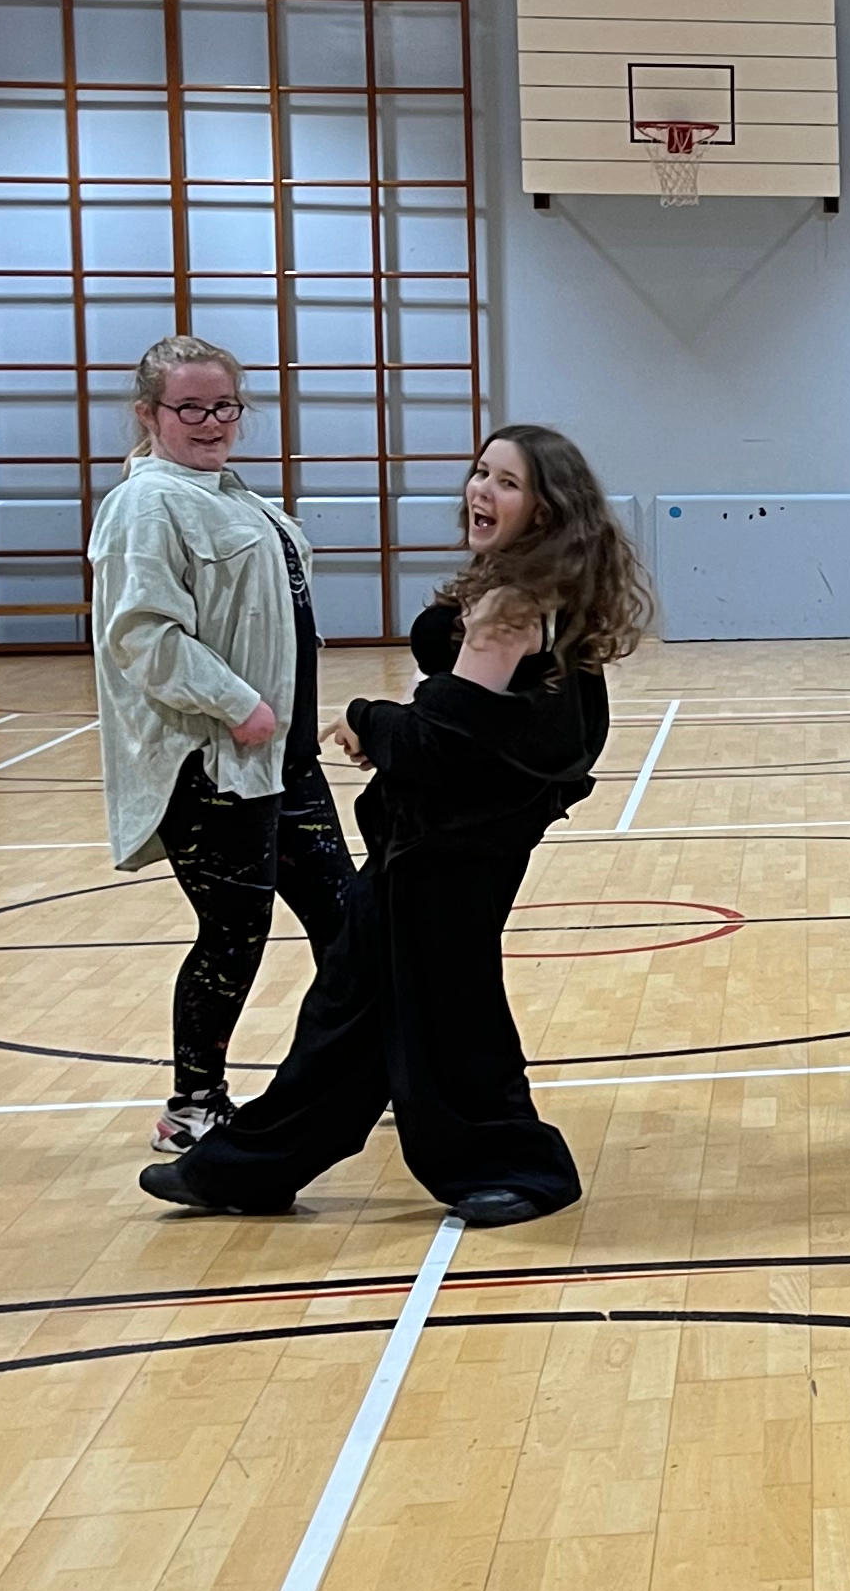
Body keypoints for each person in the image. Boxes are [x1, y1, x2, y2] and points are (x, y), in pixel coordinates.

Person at [139, 423, 650, 1227]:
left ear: (546, 510)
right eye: (480, 473)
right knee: (351, 1007)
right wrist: (393, 725)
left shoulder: (513, 603)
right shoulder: (530, 588)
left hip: (453, 848)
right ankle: (252, 1166)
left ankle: (518, 1166)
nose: (481, 491)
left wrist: (365, 720)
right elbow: (473, 724)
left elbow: (440, 740)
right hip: (436, 840)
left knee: (447, 1008)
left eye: (507, 482)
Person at [89, 333, 353, 1152]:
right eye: (191, 408)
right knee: (235, 933)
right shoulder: (146, 504)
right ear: (149, 414)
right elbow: (142, 635)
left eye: (225, 406)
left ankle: (363, 1072)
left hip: (283, 760)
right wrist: (236, 704)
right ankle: (193, 1105)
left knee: (350, 923)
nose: (212, 422)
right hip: (213, 763)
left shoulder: (237, 497)